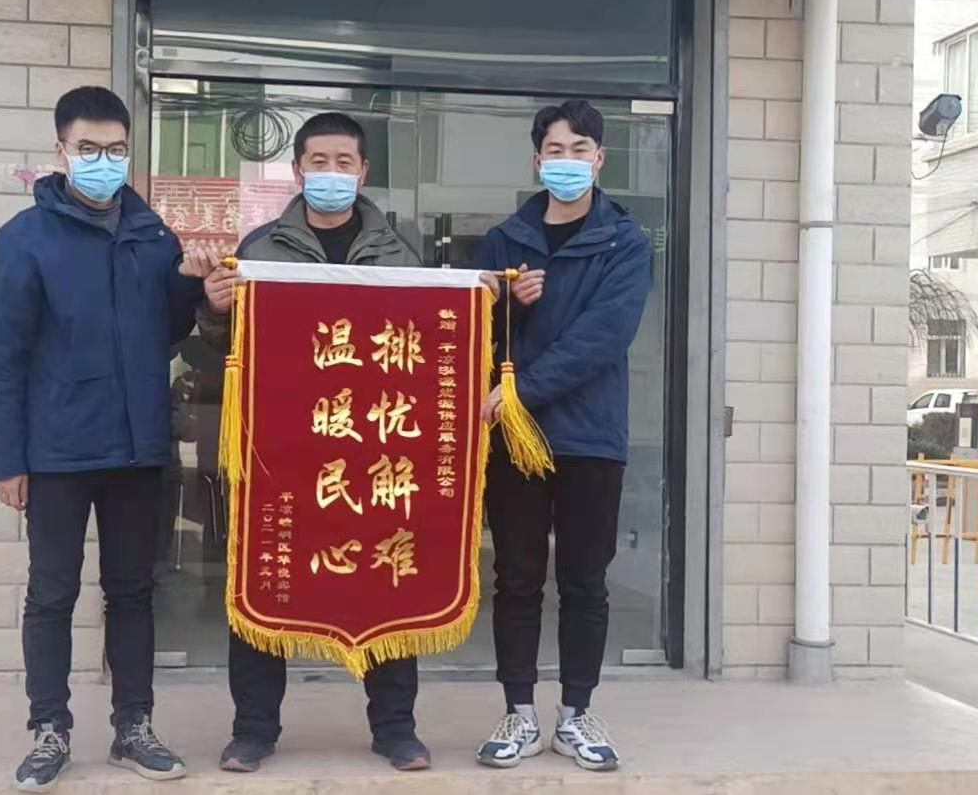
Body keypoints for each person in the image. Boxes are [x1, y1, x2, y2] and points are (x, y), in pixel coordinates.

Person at [0, 85, 219, 792]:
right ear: (61, 150)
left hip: (138, 449)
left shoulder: (153, 236)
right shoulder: (26, 239)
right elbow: (4, 357)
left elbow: (166, 330)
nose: (103, 161)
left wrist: (195, 290)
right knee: (51, 594)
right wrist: (6, 458)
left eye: (116, 150)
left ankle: (133, 726)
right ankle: (49, 728)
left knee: (134, 592)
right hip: (57, 451)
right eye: (89, 148)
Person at [198, 112, 431, 774]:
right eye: (319, 161)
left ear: (364, 171)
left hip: (372, 447)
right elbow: (220, 348)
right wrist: (213, 308)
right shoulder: (261, 248)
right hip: (283, 450)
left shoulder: (399, 252)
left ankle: (395, 727)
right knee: (265, 579)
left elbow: (425, 343)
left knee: (385, 579)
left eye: (344, 162)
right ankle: (253, 729)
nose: (332, 172)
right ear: (298, 170)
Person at [473, 100, 651, 773]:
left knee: (584, 580)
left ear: (600, 159)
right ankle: (518, 712)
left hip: (589, 436)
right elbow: (472, 338)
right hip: (515, 439)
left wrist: (522, 389)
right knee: (516, 578)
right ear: (537, 159)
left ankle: (576, 713)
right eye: (555, 149)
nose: (567, 160)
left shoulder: (623, 242)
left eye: (580, 149)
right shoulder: (506, 239)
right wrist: (503, 308)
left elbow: (603, 337)